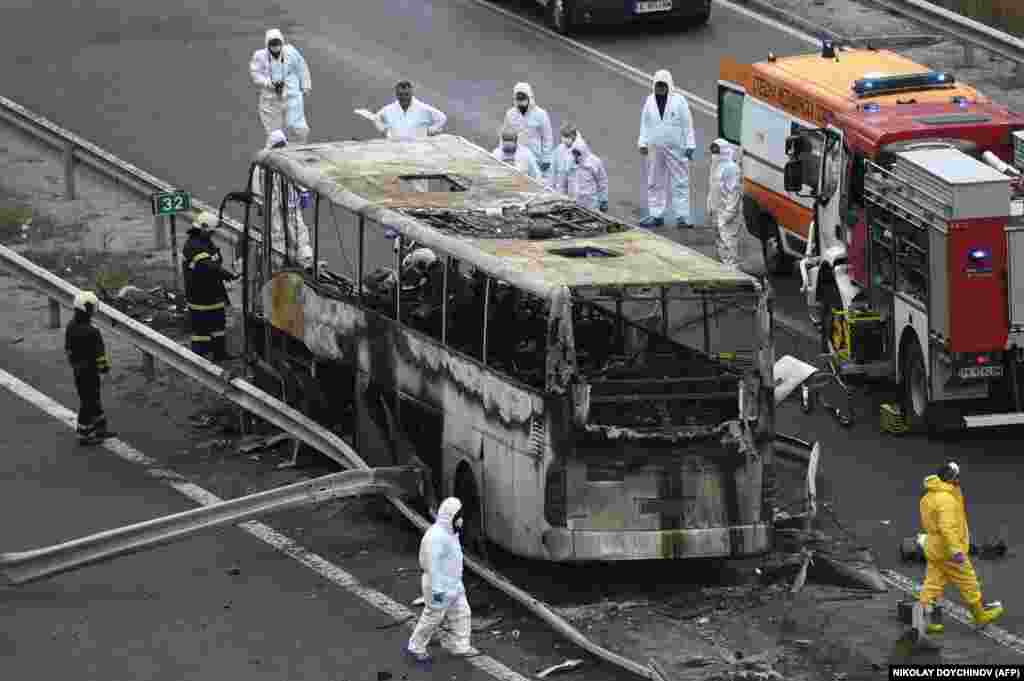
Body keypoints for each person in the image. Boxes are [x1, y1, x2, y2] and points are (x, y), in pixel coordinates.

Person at [917, 462, 1004, 637]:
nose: (959, 479)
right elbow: (947, 527)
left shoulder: (929, 496)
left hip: (934, 547)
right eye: (957, 476)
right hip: (949, 550)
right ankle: (980, 615)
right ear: (950, 479)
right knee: (968, 581)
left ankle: (923, 621)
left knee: (932, 584)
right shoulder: (946, 499)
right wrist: (956, 550)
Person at [406, 497, 479, 664]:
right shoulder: (436, 537)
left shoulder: (450, 533)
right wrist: (438, 591)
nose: (462, 520)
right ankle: (416, 646)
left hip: (453, 584)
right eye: (459, 516)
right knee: (433, 617)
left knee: (462, 614)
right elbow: (433, 568)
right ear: (451, 516)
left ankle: (460, 646)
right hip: (439, 587)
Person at [637, 69, 696, 229]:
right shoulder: (649, 101)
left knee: (680, 182)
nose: (660, 88)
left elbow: (687, 123)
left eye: (663, 85)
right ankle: (656, 215)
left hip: (677, 148)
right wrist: (642, 143)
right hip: (655, 149)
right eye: (658, 85)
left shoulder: (679, 101)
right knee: (655, 182)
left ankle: (682, 217)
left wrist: (690, 145)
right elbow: (645, 124)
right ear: (654, 85)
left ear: (669, 85)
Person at [250, 130, 315, 269]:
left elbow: (298, 177)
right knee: (277, 234)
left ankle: (305, 262)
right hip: (273, 208)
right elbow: (256, 189)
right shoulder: (261, 165)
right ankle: (279, 264)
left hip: (291, 205)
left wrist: (303, 193)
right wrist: (261, 204)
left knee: (299, 232)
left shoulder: (288, 160)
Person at [183, 211, 239, 361]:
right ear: (203, 228)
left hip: (214, 291)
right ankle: (199, 357)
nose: (212, 234)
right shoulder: (193, 245)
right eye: (211, 231)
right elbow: (208, 267)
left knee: (218, 324)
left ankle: (219, 353)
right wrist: (227, 275)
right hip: (200, 294)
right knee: (202, 328)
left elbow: (214, 261)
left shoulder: (205, 241)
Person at [66, 291, 115, 444]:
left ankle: (100, 428)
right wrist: (105, 369)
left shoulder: (71, 326)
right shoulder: (93, 331)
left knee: (91, 398)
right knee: (89, 401)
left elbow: (68, 348)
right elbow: (100, 355)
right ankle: (84, 434)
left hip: (78, 370)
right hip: (90, 371)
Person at [250, 28, 312, 146]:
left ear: (281, 42)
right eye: (272, 43)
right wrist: (269, 83)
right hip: (271, 98)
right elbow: (256, 75)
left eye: (277, 43)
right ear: (267, 44)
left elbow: (301, 67)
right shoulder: (260, 56)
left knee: (296, 126)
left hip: (291, 93)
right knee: (275, 131)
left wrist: (306, 86)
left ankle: (299, 146)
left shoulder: (291, 52)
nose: (275, 46)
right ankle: (275, 151)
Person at [503, 83, 554, 187]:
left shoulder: (540, 114)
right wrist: (504, 154)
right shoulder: (510, 114)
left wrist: (546, 158)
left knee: (536, 184)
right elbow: (505, 135)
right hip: (517, 157)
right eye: (518, 100)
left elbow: (547, 138)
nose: (521, 103)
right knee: (518, 185)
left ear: (529, 98)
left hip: (536, 158)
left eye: (523, 99)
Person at [708, 138, 742, 269]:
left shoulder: (731, 168)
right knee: (720, 241)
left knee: (728, 241)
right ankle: (725, 268)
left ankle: (733, 270)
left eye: (717, 150)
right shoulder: (715, 165)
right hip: (717, 210)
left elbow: (734, 192)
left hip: (727, 213)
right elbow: (713, 187)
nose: (715, 153)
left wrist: (729, 213)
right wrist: (710, 206)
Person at [373, 81, 447, 141]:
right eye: (400, 94)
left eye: (406, 94)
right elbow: (376, 118)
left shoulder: (422, 108)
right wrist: (383, 130)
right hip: (395, 147)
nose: (403, 97)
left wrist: (431, 130)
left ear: (411, 93)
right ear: (396, 94)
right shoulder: (389, 109)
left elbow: (442, 118)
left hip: (417, 148)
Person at [561, 134, 608, 212]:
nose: (575, 157)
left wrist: (603, 200)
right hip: (572, 204)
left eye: (578, 154)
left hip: (591, 204)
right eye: (574, 154)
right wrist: (562, 199)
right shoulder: (569, 162)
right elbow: (563, 182)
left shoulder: (594, 162)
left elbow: (602, 181)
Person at [551, 122, 580, 194]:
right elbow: (553, 168)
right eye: (563, 137)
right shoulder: (558, 149)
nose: (565, 139)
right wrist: (551, 185)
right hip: (561, 183)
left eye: (567, 137)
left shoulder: (579, 149)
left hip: (574, 183)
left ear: (573, 136)